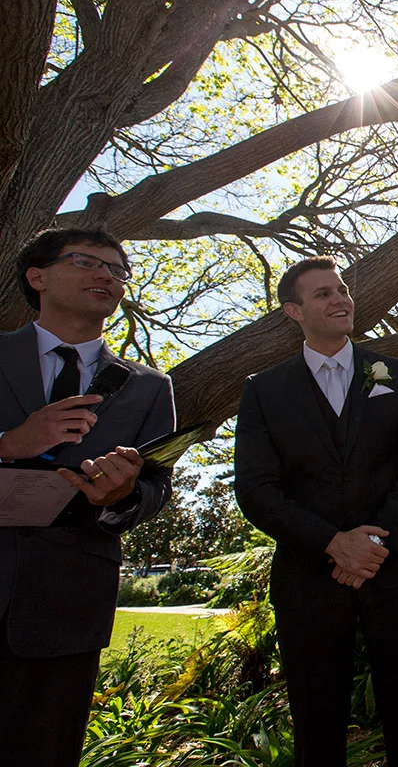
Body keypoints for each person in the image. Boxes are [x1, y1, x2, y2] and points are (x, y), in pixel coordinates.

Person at [234, 257, 398, 766]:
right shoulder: (264, 389)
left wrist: (374, 541)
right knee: (316, 720)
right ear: (294, 311)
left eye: (342, 289)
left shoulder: (391, 374)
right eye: (323, 293)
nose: (340, 299)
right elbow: (255, 489)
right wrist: (332, 543)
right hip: (309, 578)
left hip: (394, 570)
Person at [0, 228, 176, 767]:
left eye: (117, 270)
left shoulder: (151, 386)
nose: (106, 275)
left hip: (69, 603)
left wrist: (121, 494)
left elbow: (156, 488)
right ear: (37, 276)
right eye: (86, 262)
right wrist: (9, 443)